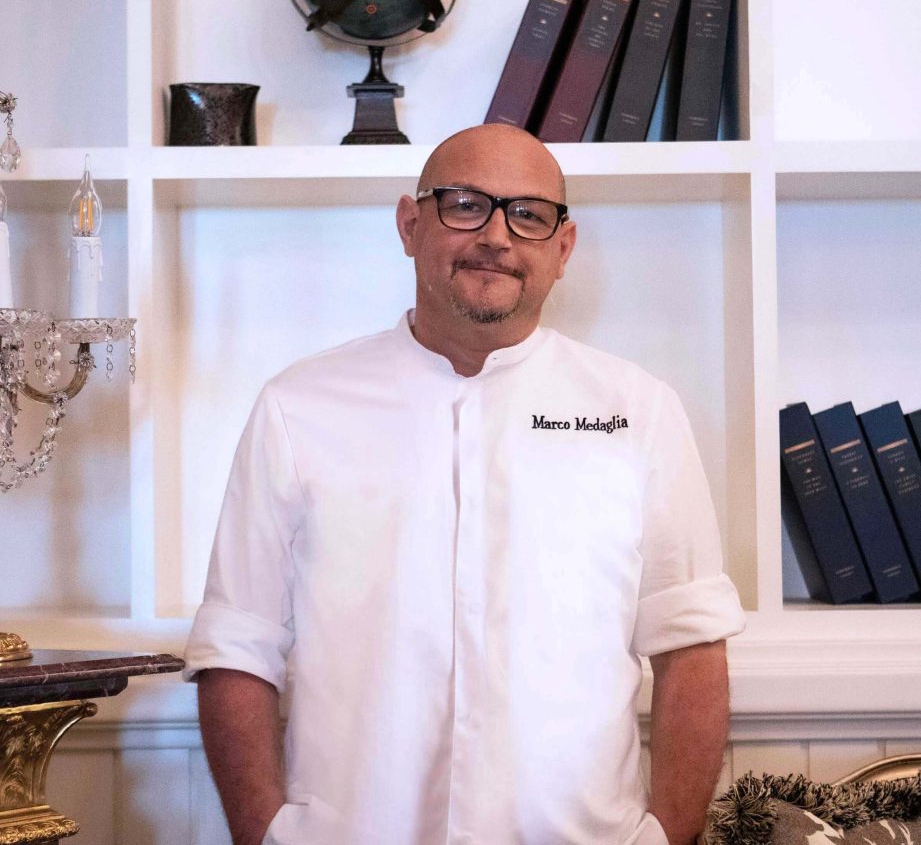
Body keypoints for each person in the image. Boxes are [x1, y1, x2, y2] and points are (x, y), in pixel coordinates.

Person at [184, 123, 746, 845]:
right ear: (409, 225)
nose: (496, 236)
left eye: (528, 214)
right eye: (465, 205)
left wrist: (665, 837)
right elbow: (236, 644)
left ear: (563, 248)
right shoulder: (298, 408)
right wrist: (264, 836)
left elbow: (690, 644)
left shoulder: (638, 412)